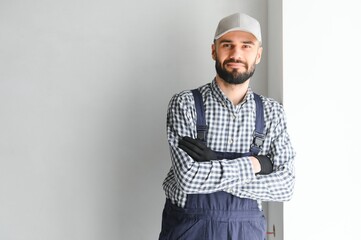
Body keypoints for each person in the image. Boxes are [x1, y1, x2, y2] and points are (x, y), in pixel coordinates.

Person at [158, 12, 295, 240]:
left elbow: (285, 186)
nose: (236, 54)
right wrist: (255, 164)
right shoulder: (185, 104)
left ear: (258, 54)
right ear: (214, 50)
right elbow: (188, 179)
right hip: (189, 230)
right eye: (227, 45)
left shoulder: (272, 112)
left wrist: (212, 164)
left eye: (246, 46)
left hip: (247, 232)